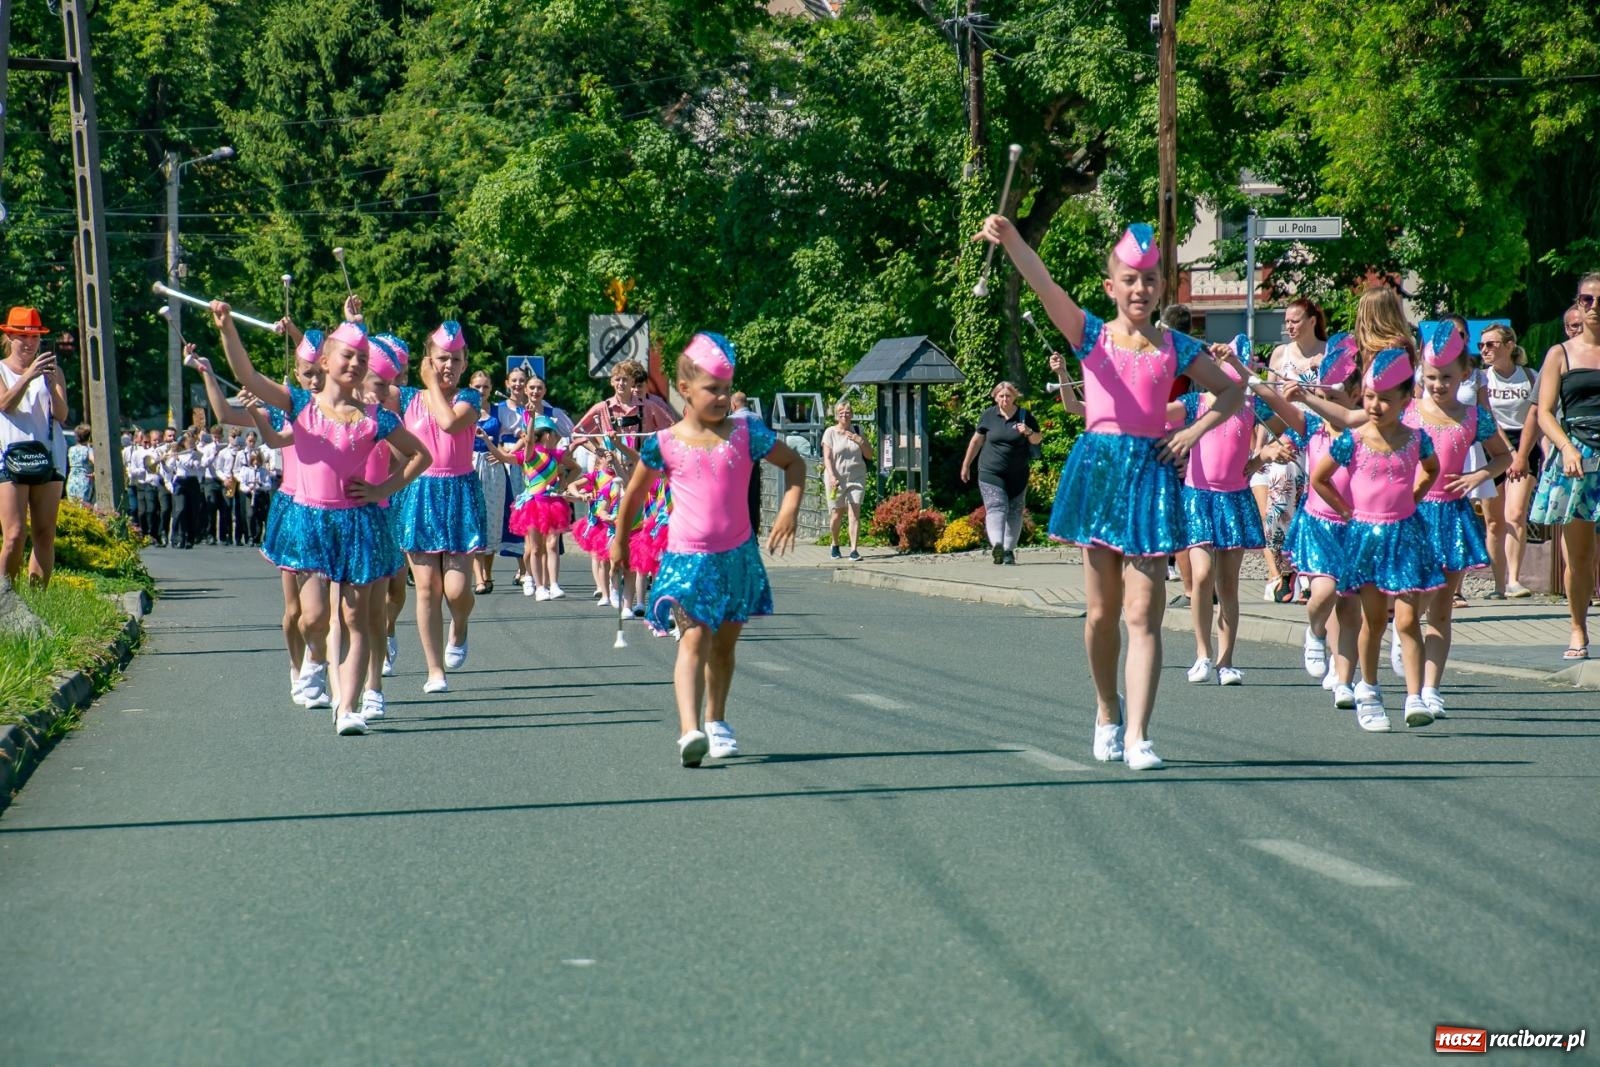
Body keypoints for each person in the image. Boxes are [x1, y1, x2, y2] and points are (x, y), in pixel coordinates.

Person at [974, 219, 1244, 770]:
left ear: (1160, 287)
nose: (1140, 289)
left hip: (1150, 475)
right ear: (1111, 286)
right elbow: (1044, 284)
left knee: (1143, 614)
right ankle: (1106, 710)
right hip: (1100, 474)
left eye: (1149, 280)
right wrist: (1012, 240)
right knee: (1102, 615)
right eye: (1130, 279)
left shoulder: (1178, 345)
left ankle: (1141, 735)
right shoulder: (1089, 335)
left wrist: (1191, 432)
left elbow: (1233, 391)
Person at [214, 304, 430, 735]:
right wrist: (227, 328)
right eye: (347, 357)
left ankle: (346, 707)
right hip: (309, 522)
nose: (355, 364)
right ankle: (314, 659)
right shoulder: (299, 405)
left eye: (362, 360)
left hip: (357, 524)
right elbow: (249, 377)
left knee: (354, 618)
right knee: (313, 618)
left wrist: (382, 490)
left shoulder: (376, 418)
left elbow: (420, 455)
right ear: (325, 362)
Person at [614, 332, 805, 767]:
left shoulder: (746, 433)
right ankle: (689, 730)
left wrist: (789, 510)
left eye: (725, 388)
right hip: (686, 560)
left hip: (737, 557)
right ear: (685, 390)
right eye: (711, 389)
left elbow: (795, 464)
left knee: (723, 647)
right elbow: (635, 496)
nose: (721, 398)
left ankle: (716, 721)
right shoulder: (664, 443)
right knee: (694, 640)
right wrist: (620, 539)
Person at [1310, 347, 1444, 732]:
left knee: (1406, 620)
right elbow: (1320, 478)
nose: (1375, 405)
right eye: (1369, 397)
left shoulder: (1418, 439)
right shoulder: (1351, 440)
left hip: (1404, 536)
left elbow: (1431, 470)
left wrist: (1414, 497)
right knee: (1373, 621)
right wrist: (1348, 511)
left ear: (1406, 399)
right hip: (1364, 538)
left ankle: (1415, 696)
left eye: (1385, 398)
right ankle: (1368, 690)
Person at [1405, 321, 1511, 720]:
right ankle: (1411, 672)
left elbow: (1504, 455)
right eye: (1431, 376)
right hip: (1414, 514)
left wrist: (1479, 475)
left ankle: (1431, 689)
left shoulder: (1473, 416)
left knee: (1443, 609)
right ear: (1421, 373)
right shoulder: (1409, 413)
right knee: (1411, 608)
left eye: (1447, 377)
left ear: (1464, 375)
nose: (1438, 384)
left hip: (1452, 515)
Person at [1172, 346, 1294, 686]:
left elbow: (1285, 414)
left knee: (1228, 584)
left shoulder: (1249, 406)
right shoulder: (1194, 405)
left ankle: (1226, 660)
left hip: (1233, 498)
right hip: (1198, 497)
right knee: (1202, 576)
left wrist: (1264, 454)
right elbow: (1155, 411)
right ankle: (1202, 654)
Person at [390, 320, 488, 694]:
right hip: (420, 494)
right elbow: (369, 378)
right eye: (441, 359)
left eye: (455, 360)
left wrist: (431, 381)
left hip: (458, 493)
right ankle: (434, 670)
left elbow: (447, 425)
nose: (448, 366)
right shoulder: (407, 398)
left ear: (465, 363)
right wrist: (355, 325)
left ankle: (459, 625)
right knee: (427, 587)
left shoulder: (469, 399)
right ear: (428, 359)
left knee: (458, 589)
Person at [1274, 336, 1365, 709]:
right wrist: (1240, 370)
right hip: (1320, 522)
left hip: (1358, 527)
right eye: (1327, 391)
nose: (1333, 396)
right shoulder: (1312, 425)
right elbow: (1272, 399)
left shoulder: (1365, 425)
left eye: (1341, 390)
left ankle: (1344, 679)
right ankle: (1313, 631)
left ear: (1358, 390)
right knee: (1324, 595)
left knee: (1350, 607)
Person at [1530, 272, 1600, 661]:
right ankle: (1578, 628)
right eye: (1586, 300)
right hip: (1576, 456)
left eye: (1599, 300)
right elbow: (1543, 412)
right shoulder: (1561, 353)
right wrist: (1565, 449)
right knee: (1581, 556)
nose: (1593, 308)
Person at [1253, 297, 1327, 601]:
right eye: (1287, 321)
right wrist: (1259, 448)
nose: (1289, 326)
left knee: (1316, 503)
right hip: (1288, 436)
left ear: (1312, 321)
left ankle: (1313, 572)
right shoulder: (1280, 354)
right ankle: (1286, 569)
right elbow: (1270, 402)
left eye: (1295, 320)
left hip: (1321, 436)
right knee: (1279, 499)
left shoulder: (1329, 351)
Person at [0, 306, 67, 588]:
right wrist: (28, 376)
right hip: (9, 456)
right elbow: (5, 404)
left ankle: (38, 600)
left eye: (35, 337)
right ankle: (6, 596)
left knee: (44, 533)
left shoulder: (53, 370)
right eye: (22, 337)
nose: (29, 343)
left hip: (48, 456)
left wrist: (51, 385)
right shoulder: (1, 370)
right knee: (14, 534)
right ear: (9, 338)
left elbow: (61, 414)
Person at [1480, 323, 1542, 598]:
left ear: (1509, 346)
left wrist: (1526, 453)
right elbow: (1487, 418)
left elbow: (1540, 416)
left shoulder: (1530, 376)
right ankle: (1497, 584)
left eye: (1491, 344)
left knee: (1515, 514)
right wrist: (1508, 453)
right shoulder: (1482, 380)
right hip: (1492, 446)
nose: (1484, 350)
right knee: (1493, 521)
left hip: (1525, 444)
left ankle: (1514, 579)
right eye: (1481, 345)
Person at [490, 415, 579, 599]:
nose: (557, 437)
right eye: (555, 434)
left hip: (553, 503)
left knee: (552, 544)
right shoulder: (530, 454)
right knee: (535, 548)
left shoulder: (557, 455)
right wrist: (486, 440)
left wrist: (563, 485)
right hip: (533, 504)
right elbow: (508, 453)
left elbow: (576, 469)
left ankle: (553, 584)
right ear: (547, 435)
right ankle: (538, 585)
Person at [958, 383, 1039, 565]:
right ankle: (998, 545)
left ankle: (1009, 551)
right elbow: (976, 442)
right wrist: (966, 465)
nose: (1005, 399)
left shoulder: (1024, 416)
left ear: (1014, 397)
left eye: (1008, 396)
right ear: (995, 397)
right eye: (1001, 396)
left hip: (1018, 473)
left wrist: (1028, 431)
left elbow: (1037, 439)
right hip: (990, 471)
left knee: (1015, 511)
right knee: (996, 506)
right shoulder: (988, 415)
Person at [823, 400, 875, 561]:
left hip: (856, 476)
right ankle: (835, 543)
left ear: (851, 414)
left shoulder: (858, 430)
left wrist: (859, 440)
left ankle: (854, 550)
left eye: (847, 412)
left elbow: (869, 455)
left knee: (854, 512)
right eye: (841, 413)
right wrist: (832, 476)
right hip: (836, 478)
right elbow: (827, 457)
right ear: (837, 416)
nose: (844, 415)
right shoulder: (830, 432)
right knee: (837, 514)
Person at [469, 369, 505, 594]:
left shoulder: (500, 412)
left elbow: (515, 436)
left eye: (485, 387)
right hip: (470, 464)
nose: (481, 391)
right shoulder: (464, 409)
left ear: (491, 388)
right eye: (477, 387)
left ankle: (488, 574)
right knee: (474, 518)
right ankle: (479, 578)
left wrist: (500, 451)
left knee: (492, 520)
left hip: (493, 467)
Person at [66, 422, 94, 505]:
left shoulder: (71, 449)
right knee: (84, 506)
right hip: (84, 480)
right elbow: (94, 460)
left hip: (72, 480)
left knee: (72, 506)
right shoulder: (87, 450)